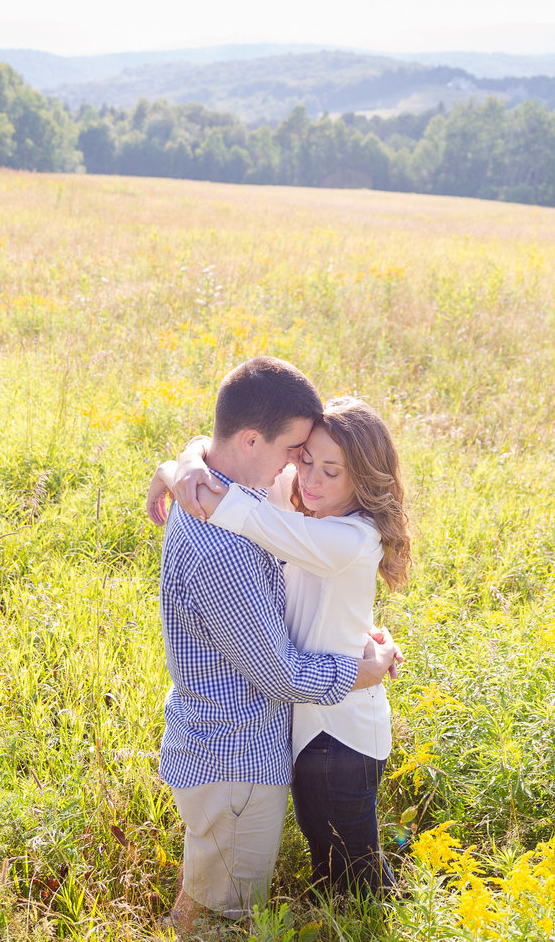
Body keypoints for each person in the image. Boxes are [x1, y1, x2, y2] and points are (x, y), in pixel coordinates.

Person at [153, 357, 402, 932]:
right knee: (228, 919)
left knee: (220, 893)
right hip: (235, 755)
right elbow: (284, 675)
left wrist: (183, 466)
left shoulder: (250, 502)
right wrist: (360, 671)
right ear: (250, 440)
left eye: (321, 466)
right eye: (298, 451)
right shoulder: (229, 542)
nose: (301, 470)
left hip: (233, 741)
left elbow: (259, 513)